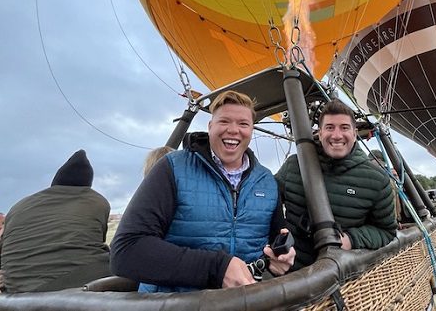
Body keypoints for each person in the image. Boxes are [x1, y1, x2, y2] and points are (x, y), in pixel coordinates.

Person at [110, 90, 295, 292]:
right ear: (210, 127)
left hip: (247, 301)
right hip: (176, 304)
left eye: (243, 124)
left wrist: (279, 259)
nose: (233, 130)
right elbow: (127, 250)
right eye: (224, 121)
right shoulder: (172, 168)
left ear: (251, 130)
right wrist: (216, 268)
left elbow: (274, 240)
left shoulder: (266, 181)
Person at [275, 99, 397, 270]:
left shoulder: (376, 180)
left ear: (354, 133)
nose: (337, 135)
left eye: (344, 128)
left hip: (341, 275)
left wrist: (349, 239)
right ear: (319, 133)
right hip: (292, 272)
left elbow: (386, 231)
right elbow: (266, 205)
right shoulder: (294, 165)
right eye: (330, 127)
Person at [0, 149, 112, 293]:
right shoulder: (96, 202)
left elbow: (1, 262)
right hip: (73, 285)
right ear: (88, 185)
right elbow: (99, 240)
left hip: (14, 290)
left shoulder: (18, 207)